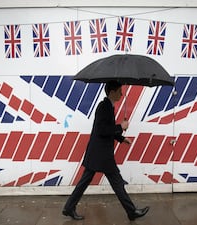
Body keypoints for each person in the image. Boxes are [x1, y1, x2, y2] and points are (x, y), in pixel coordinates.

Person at [62, 80, 149, 221]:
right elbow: (103, 130)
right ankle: (131, 212)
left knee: (87, 181)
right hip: (101, 154)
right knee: (117, 182)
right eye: (119, 91)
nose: (122, 93)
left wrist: (121, 138)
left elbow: (106, 129)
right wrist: (121, 126)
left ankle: (68, 208)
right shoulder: (104, 107)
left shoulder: (108, 106)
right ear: (112, 92)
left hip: (97, 153)